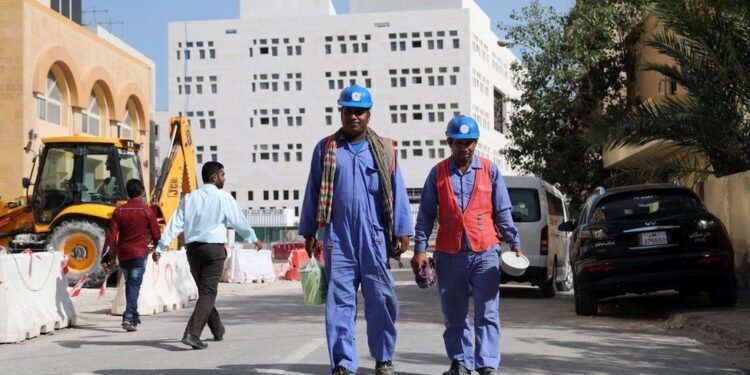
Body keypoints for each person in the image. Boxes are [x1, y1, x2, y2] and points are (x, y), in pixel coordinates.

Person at [299, 84, 414, 375]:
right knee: (339, 304)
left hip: (374, 236)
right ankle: (343, 362)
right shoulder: (326, 149)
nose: (354, 117)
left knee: (382, 299)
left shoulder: (385, 149)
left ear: (368, 114)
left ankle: (383, 356)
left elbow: (398, 191)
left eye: (360, 112)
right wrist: (310, 231)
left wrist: (402, 229)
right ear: (341, 112)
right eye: (349, 111)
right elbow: (313, 191)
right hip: (338, 237)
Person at [411, 115, 524, 375]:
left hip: (485, 251)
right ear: (449, 142)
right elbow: (426, 214)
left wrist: (514, 243)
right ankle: (460, 362)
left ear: (476, 142)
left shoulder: (489, 170)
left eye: (470, 142)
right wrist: (420, 250)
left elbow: (503, 211)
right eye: (459, 143)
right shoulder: (437, 173)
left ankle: (486, 364)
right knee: (454, 313)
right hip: (449, 254)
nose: (465, 148)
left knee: (487, 312)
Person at [156, 161, 263, 350]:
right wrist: (253, 238)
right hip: (213, 250)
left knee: (205, 292)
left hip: (193, 251)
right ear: (214, 177)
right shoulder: (223, 198)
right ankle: (192, 334)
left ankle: (217, 328)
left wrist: (160, 247)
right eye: (223, 174)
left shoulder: (189, 199)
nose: (224, 178)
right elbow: (239, 221)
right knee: (208, 292)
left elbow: (175, 224)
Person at [102, 179, 161, 332]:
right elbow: (156, 234)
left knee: (130, 285)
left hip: (123, 255)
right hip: (139, 254)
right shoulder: (147, 211)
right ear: (142, 192)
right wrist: (157, 251)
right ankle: (128, 316)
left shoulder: (119, 211)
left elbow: (111, 236)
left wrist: (106, 257)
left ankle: (133, 316)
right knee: (134, 285)